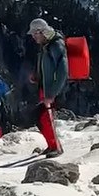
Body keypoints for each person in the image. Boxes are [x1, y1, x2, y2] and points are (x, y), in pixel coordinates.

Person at [28, 18, 67, 157]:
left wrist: (51, 94)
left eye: (34, 34)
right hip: (44, 88)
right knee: (41, 118)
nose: (33, 37)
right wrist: (37, 75)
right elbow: (47, 67)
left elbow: (63, 72)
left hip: (50, 92)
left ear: (41, 32)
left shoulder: (56, 45)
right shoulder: (47, 45)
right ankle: (52, 146)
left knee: (46, 119)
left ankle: (56, 147)